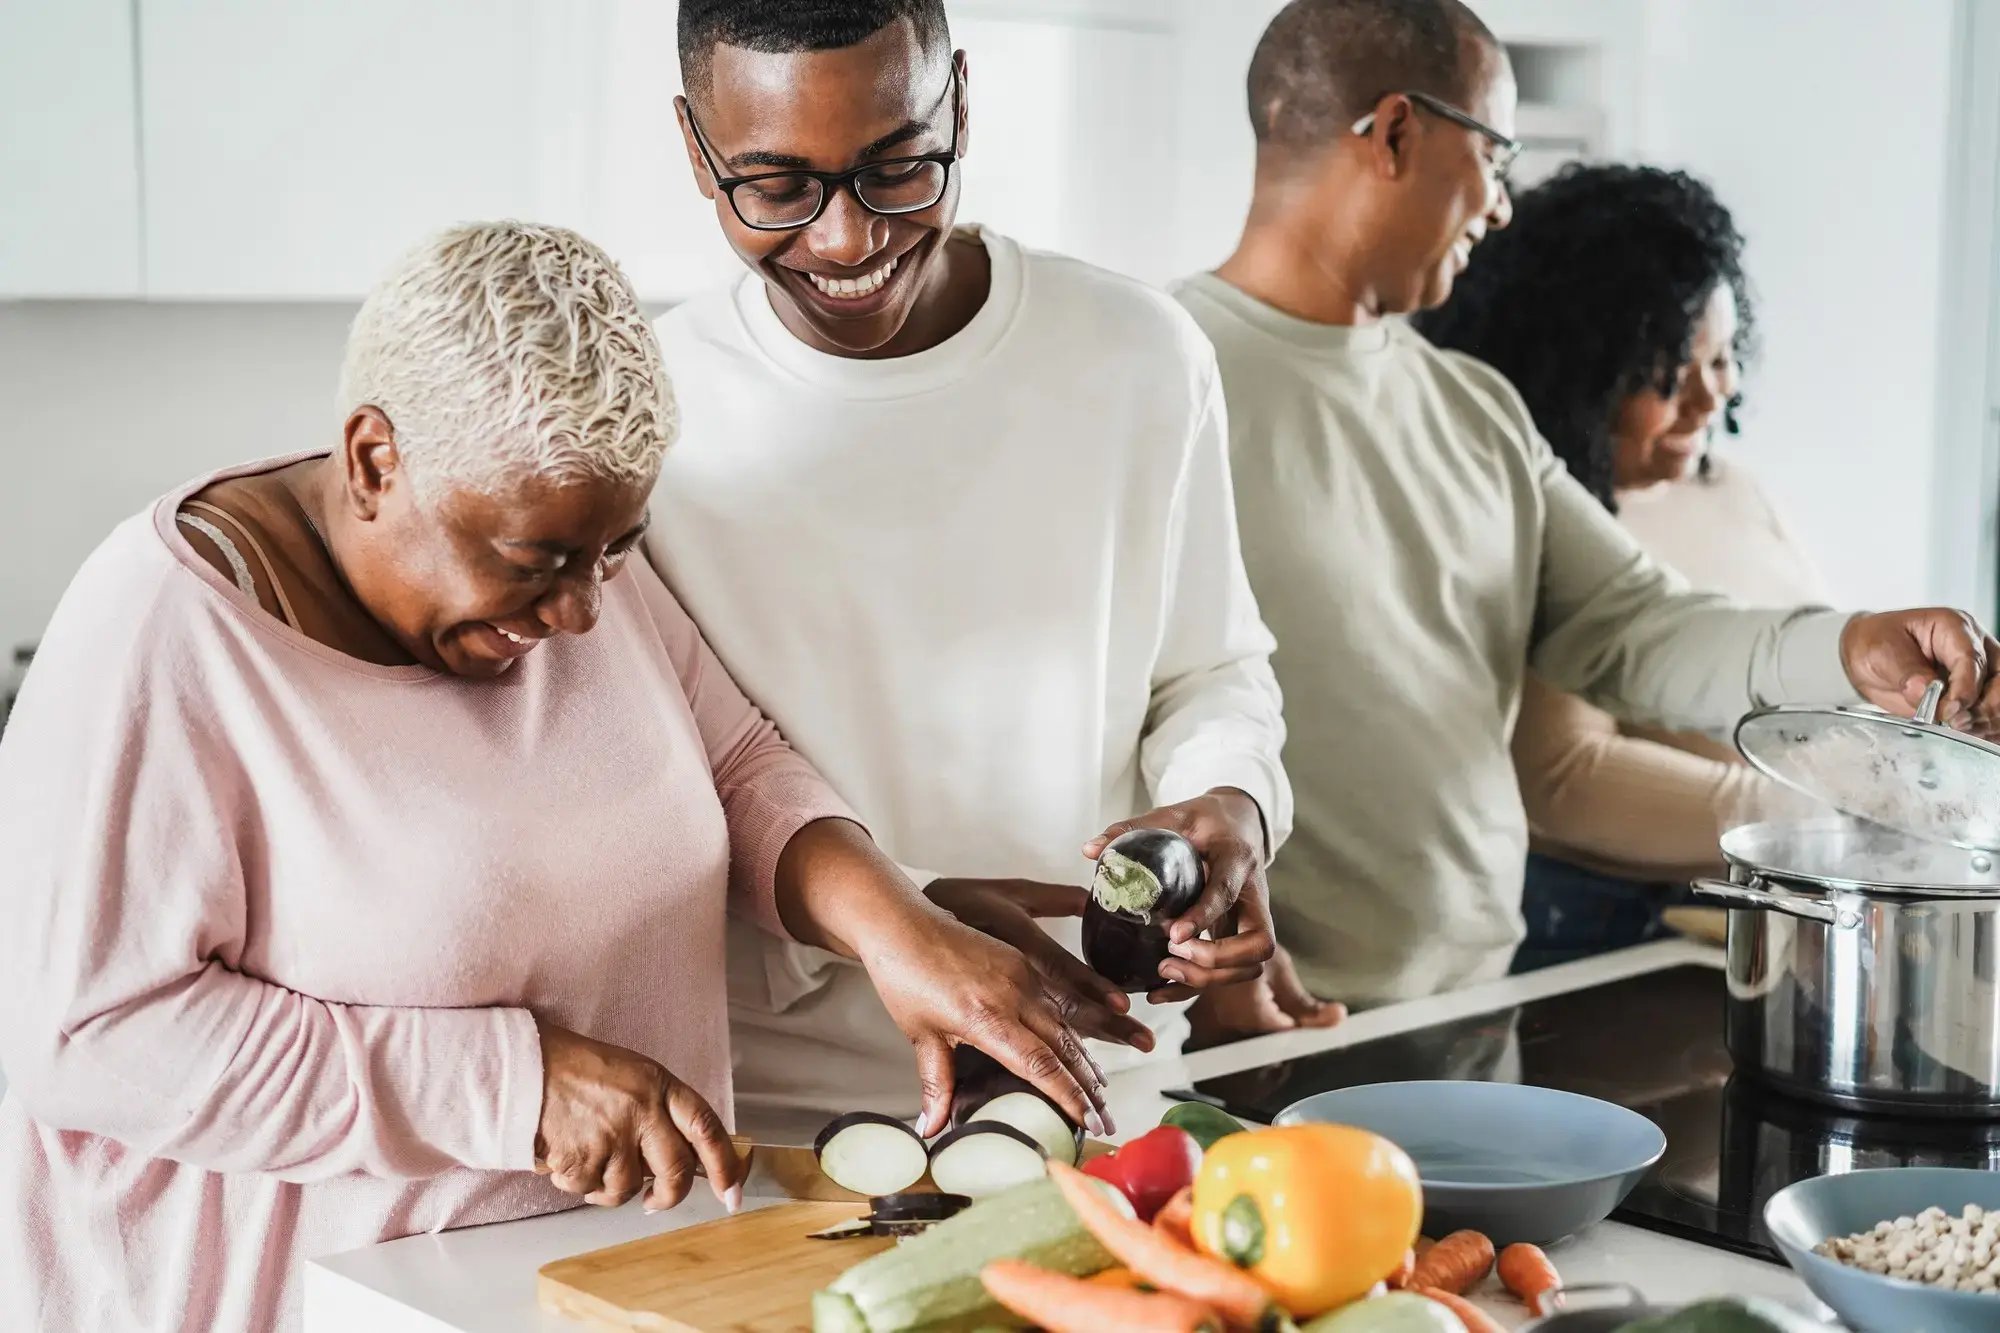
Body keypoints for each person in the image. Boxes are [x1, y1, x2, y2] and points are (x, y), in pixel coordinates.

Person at [0, 222, 1125, 1333]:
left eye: (616, 551)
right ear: (374, 460)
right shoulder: (164, 634)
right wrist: (516, 1087)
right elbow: (88, 1037)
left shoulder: (562, 545)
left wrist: (892, 922)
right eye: (538, 564)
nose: (583, 613)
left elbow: (732, 764)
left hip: (609, 1280)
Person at [1172, 0, 2000, 1012]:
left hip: (1472, 1005)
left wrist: (1854, 644)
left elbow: (1634, 627)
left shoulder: (1470, 406)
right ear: (1395, 132)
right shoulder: (1165, 378)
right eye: (1492, 153)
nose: (1500, 205)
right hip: (1254, 1023)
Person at [649, 0, 1324, 1131]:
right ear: (693, 148)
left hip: (1100, 1080)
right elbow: (651, 798)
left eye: (899, 168)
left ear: (958, 102)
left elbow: (1209, 668)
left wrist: (1235, 798)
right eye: (774, 188)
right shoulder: (650, 411)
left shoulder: (1135, 352)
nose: (844, 241)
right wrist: (902, 910)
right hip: (777, 1114)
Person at [1415, 163, 1831, 971]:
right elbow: (1566, 773)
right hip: (1613, 929)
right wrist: (1813, 820)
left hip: (1762, 903)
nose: (1711, 400)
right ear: (1585, 370)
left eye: (1722, 359)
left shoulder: (1734, 491)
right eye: (1672, 373)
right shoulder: (1542, 523)